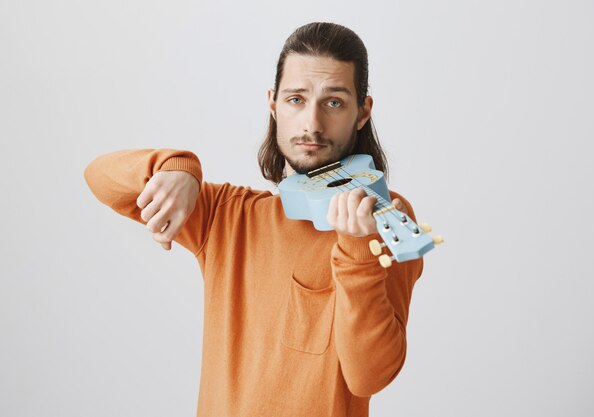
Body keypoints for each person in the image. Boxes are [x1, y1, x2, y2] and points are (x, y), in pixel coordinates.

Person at [84, 22, 425, 417]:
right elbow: (99, 177)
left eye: (333, 102)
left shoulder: (385, 218)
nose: (311, 124)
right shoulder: (226, 215)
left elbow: (369, 377)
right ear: (273, 103)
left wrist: (356, 254)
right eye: (296, 99)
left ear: (362, 113)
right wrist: (176, 167)